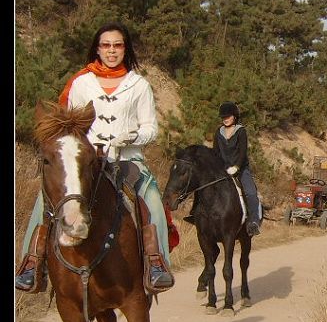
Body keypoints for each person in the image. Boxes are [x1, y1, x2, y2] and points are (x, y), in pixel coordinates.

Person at [15, 21, 175, 293]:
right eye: (106, 45)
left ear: (125, 49)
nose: (112, 51)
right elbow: (67, 125)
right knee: (46, 198)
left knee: (152, 201)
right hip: (86, 160)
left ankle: (155, 261)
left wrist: (131, 137)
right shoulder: (81, 82)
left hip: (128, 159)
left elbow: (151, 129)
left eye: (117, 45)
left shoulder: (139, 85)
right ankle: (32, 262)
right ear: (97, 49)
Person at [213, 102, 261, 237]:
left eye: (228, 116)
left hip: (240, 169)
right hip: (222, 169)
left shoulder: (241, 131)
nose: (225, 119)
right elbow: (215, 152)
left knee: (251, 193)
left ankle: (253, 222)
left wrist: (237, 167)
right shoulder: (219, 132)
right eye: (223, 117)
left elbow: (242, 152)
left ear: (234, 116)